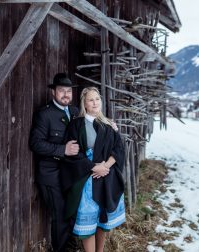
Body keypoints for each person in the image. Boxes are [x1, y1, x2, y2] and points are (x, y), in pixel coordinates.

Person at [60, 87, 126, 252]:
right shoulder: (76, 125)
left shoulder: (108, 125)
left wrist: (105, 166)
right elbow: (74, 153)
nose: (95, 103)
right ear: (85, 103)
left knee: (102, 221)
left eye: (97, 99)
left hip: (106, 177)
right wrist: (93, 167)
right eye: (91, 99)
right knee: (88, 221)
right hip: (86, 178)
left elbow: (119, 149)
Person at [29, 73, 80, 252]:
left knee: (72, 210)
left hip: (69, 173)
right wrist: (62, 150)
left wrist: (109, 124)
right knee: (60, 215)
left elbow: (91, 125)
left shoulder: (75, 112)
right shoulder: (45, 114)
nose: (66, 94)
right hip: (51, 173)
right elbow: (36, 143)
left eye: (68, 91)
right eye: (61, 91)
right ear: (53, 92)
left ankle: (70, 246)